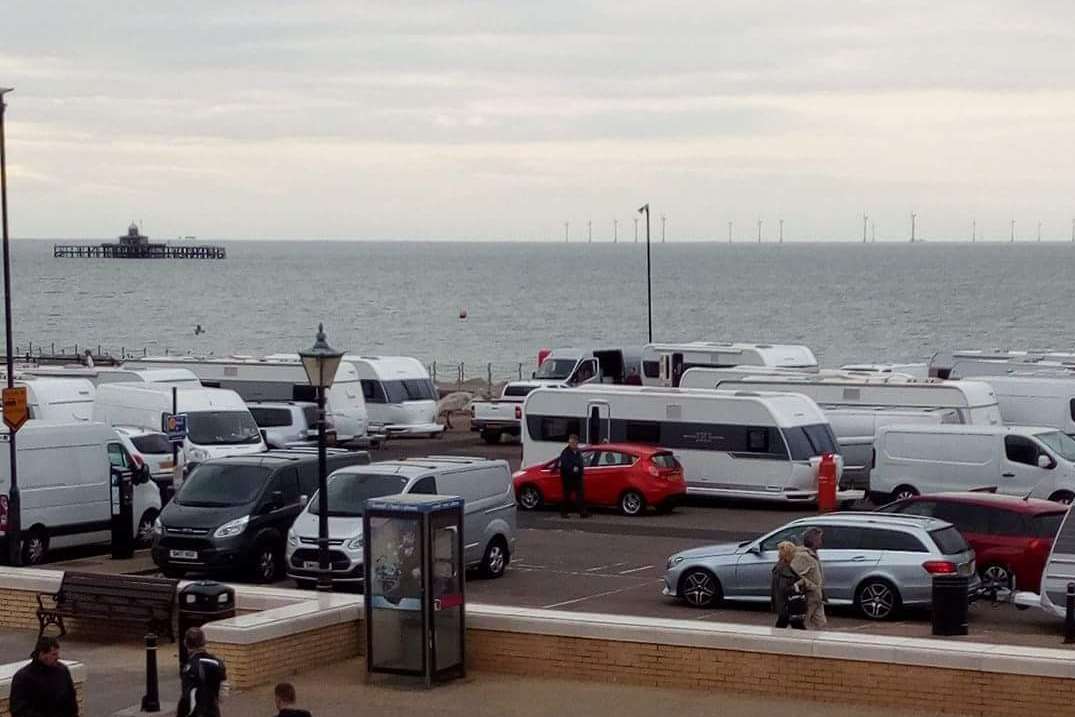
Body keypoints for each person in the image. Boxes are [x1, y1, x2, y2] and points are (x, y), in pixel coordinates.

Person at [9, 636, 79, 717]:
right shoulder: (23, 678)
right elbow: (18, 710)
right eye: (53, 654)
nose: (57, 658)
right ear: (42, 654)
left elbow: (71, 701)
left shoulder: (62, 671)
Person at [178, 627, 227, 717]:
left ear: (185, 643)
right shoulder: (217, 663)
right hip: (212, 711)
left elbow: (186, 697)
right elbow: (223, 691)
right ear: (204, 642)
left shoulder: (188, 667)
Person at [790, 528, 827, 629]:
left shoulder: (813, 554)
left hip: (817, 598)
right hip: (807, 599)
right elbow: (794, 576)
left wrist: (821, 591)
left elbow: (816, 575)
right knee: (801, 625)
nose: (821, 541)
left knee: (821, 624)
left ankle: (818, 643)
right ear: (813, 541)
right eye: (819, 539)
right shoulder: (802, 556)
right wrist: (811, 586)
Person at [770, 542, 805, 630]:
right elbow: (784, 588)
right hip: (788, 605)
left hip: (784, 605)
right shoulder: (784, 570)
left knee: (783, 625)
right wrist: (797, 585)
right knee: (797, 626)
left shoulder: (780, 567)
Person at [559, 434, 588, 518]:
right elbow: (565, 465)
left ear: (577, 442)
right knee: (567, 495)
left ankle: (583, 512)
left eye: (574, 442)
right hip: (568, 477)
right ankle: (564, 513)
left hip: (577, 477)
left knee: (580, 494)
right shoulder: (565, 452)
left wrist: (579, 469)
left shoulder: (578, 452)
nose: (572, 444)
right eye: (571, 442)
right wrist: (573, 468)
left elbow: (580, 462)